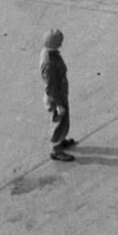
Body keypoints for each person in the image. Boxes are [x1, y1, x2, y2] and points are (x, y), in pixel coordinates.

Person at [41, 29, 75, 162]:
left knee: (63, 120)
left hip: (60, 93)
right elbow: (51, 87)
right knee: (59, 121)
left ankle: (61, 140)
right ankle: (56, 149)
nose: (61, 43)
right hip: (56, 97)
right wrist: (58, 104)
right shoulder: (49, 63)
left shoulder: (49, 53)